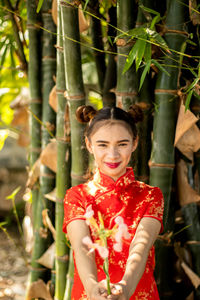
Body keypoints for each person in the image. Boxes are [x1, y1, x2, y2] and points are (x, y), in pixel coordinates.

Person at [63, 105, 164, 300]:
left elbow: (140, 249)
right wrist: (93, 289)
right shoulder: (77, 196)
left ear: (134, 143)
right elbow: (82, 248)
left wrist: (125, 288)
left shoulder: (151, 196)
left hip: (137, 293)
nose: (113, 154)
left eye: (122, 144)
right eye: (102, 145)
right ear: (89, 145)